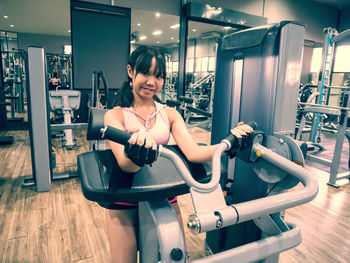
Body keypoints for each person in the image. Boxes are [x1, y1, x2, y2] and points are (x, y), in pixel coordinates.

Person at [103, 45, 253, 263]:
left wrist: (228, 144)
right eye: (145, 73)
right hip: (125, 200)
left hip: (163, 194)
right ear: (130, 71)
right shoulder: (115, 115)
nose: (151, 82)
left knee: (175, 257)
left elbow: (194, 153)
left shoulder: (170, 114)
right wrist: (136, 155)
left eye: (159, 76)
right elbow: (125, 164)